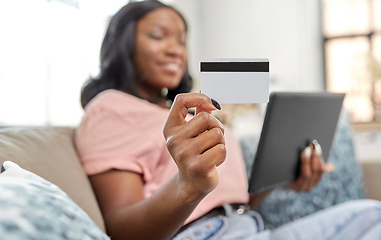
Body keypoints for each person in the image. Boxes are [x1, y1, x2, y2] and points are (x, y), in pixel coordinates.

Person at [75, 1, 381, 239]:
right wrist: (187, 185)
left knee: (372, 216)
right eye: (157, 36)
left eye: (181, 40)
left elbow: (230, 200)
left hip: (249, 225)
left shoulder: (186, 113)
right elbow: (123, 231)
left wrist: (282, 179)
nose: (174, 49)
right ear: (123, 44)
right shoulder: (110, 108)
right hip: (203, 234)